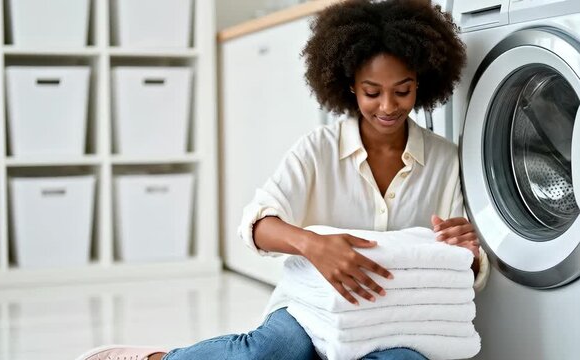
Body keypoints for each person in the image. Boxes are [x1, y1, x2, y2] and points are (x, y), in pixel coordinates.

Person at [78, 0, 489, 359]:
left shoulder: (445, 159)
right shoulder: (318, 148)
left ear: (421, 84)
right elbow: (256, 226)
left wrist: (467, 255)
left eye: (402, 91)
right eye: (371, 92)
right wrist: (315, 247)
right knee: (278, 350)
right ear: (349, 87)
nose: (387, 106)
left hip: (396, 322)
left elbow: (462, 267)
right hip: (310, 311)